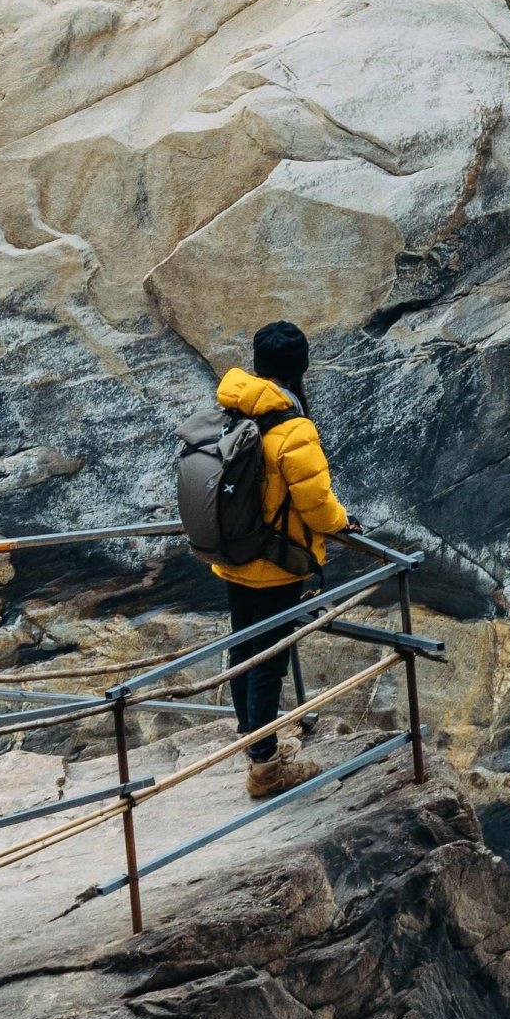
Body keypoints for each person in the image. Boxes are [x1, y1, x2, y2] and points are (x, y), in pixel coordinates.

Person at [208, 319, 352, 800]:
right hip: (274, 562)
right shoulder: (292, 427)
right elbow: (317, 504)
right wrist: (344, 523)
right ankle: (265, 768)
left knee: (243, 646)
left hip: (233, 552)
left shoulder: (232, 410)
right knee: (268, 659)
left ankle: (253, 739)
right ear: (300, 367)